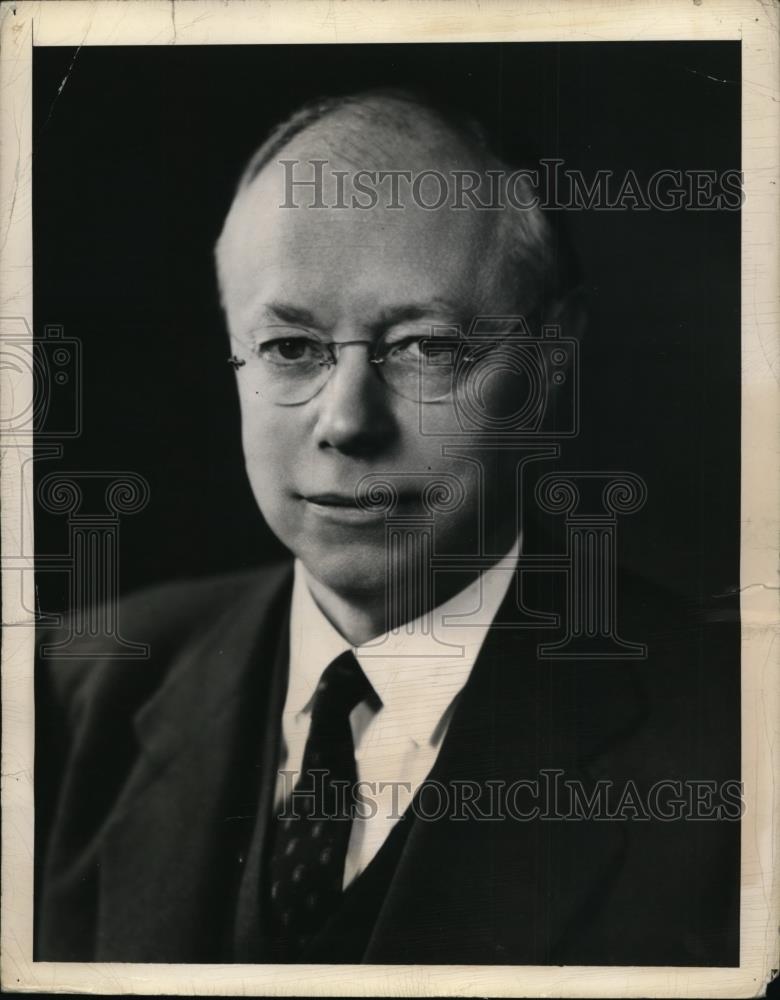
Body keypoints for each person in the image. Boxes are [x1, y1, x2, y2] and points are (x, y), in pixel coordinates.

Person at [34, 89, 740, 965]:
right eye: (291, 348)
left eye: (424, 346)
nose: (347, 422)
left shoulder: (739, 740)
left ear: (553, 363)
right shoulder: (64, 697)